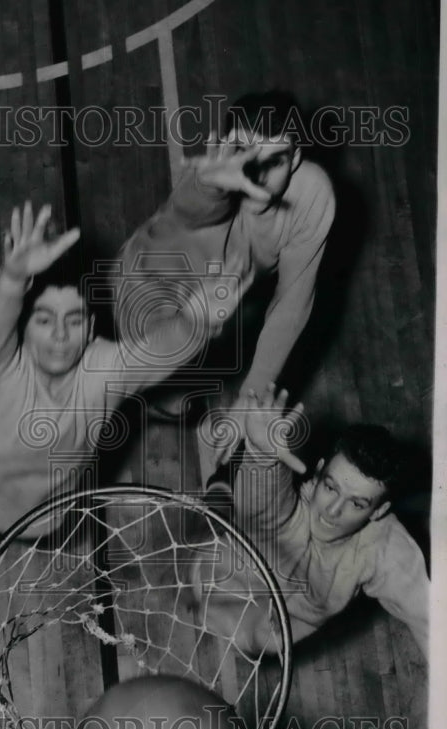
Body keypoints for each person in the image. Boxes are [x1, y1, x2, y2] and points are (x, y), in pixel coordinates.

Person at [0, 200, 209, 565]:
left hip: (38, 513)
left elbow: (157, 351)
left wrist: (200, 320)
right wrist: (13, 279)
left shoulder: (101, 370)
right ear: (22, 328)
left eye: (75, 321)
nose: (60, 335)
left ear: (92, 330)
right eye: (45, 320)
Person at [117, 91, 336, 464]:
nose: (257, 174)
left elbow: (292, 305)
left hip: (223, 288)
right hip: (153, 284)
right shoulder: (211, 184)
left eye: (276, 160)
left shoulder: (314, 193)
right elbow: (189, 209)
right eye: (244, 154)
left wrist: (248, 399)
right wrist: (209, 184)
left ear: (297, 159)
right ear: (224, 151)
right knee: (172, 402)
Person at [200, 384, 429, 658]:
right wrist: (261, 456)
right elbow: (267, 501)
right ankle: (222, 485)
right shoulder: (290, 506)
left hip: (283, 623)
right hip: (234, 576)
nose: (332, 510)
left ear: (379, 512)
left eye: (356, 504)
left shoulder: (385, 549)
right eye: (330, 488)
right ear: (319, 471)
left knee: (254, 640)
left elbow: (432, 622)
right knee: (226, 511)